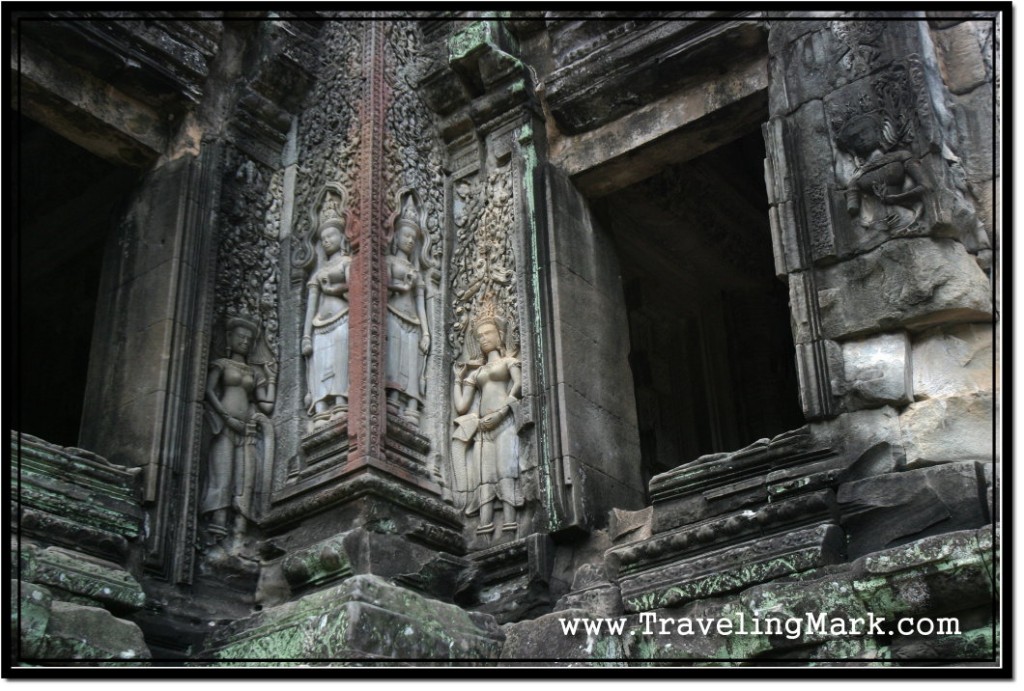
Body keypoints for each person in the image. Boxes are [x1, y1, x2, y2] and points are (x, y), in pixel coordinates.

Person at [202, 316, 276, 541]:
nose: (244, 341)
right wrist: (225, 417)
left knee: (244, 479)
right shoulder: (222, 365)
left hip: (247, 431)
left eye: (249, 338)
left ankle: (239, 534)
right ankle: (217, 528)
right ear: (230, 338)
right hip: (223, 426)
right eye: (240, 337)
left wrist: (271, 379)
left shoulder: (253, 373)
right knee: (223, 476)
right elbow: (208, 391)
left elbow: (267, 404)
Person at [452, 313, 522, 536]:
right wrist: (457, 378)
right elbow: (462, 406)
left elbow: (519, 384)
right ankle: (484, 528)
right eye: (479, 335)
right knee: (485, 477)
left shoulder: (509, 362)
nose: (483, 338)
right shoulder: (477, 372)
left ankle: (511, 524)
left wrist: (502, 412)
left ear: (499, 335)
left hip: (504, 421)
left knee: (506, 470)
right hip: (483, 428)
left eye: (488, 333)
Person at [836, 112, 926, 234]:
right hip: (875, 227)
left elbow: (924, 186)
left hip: (907, 214)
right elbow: (853, 208)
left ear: (878, 132)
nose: (861, 139)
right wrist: (853, 181)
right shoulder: (858, 175)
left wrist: (896, 199)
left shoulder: (901, 156)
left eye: (865, 132)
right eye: (855, 139)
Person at [302, 218, 351, 429]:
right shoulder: (319, 272)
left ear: (342, 238)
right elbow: (311, 306)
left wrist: (333, 289)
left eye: (331, 236)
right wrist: (306, 336)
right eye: (323, 239)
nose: (326, 241)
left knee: (340, 364)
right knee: (320, 367)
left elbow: (354, 292)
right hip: (320, 325)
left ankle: (341, 402)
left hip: (342, 317)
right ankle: (321, 408)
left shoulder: (347, 262)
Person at [386, 196, 430, 426]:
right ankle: (392, 400)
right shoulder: (390, 261)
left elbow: (421, 302)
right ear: (396, 236)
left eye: (413, 237)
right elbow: (384, 289)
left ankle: (412, 406)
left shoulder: (416, 270)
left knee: (413, 367)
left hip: (412, 321)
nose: (410, 240)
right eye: (406, 235)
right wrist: (402, 285)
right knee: (394, 363)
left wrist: (426, 332)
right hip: (392, 313)